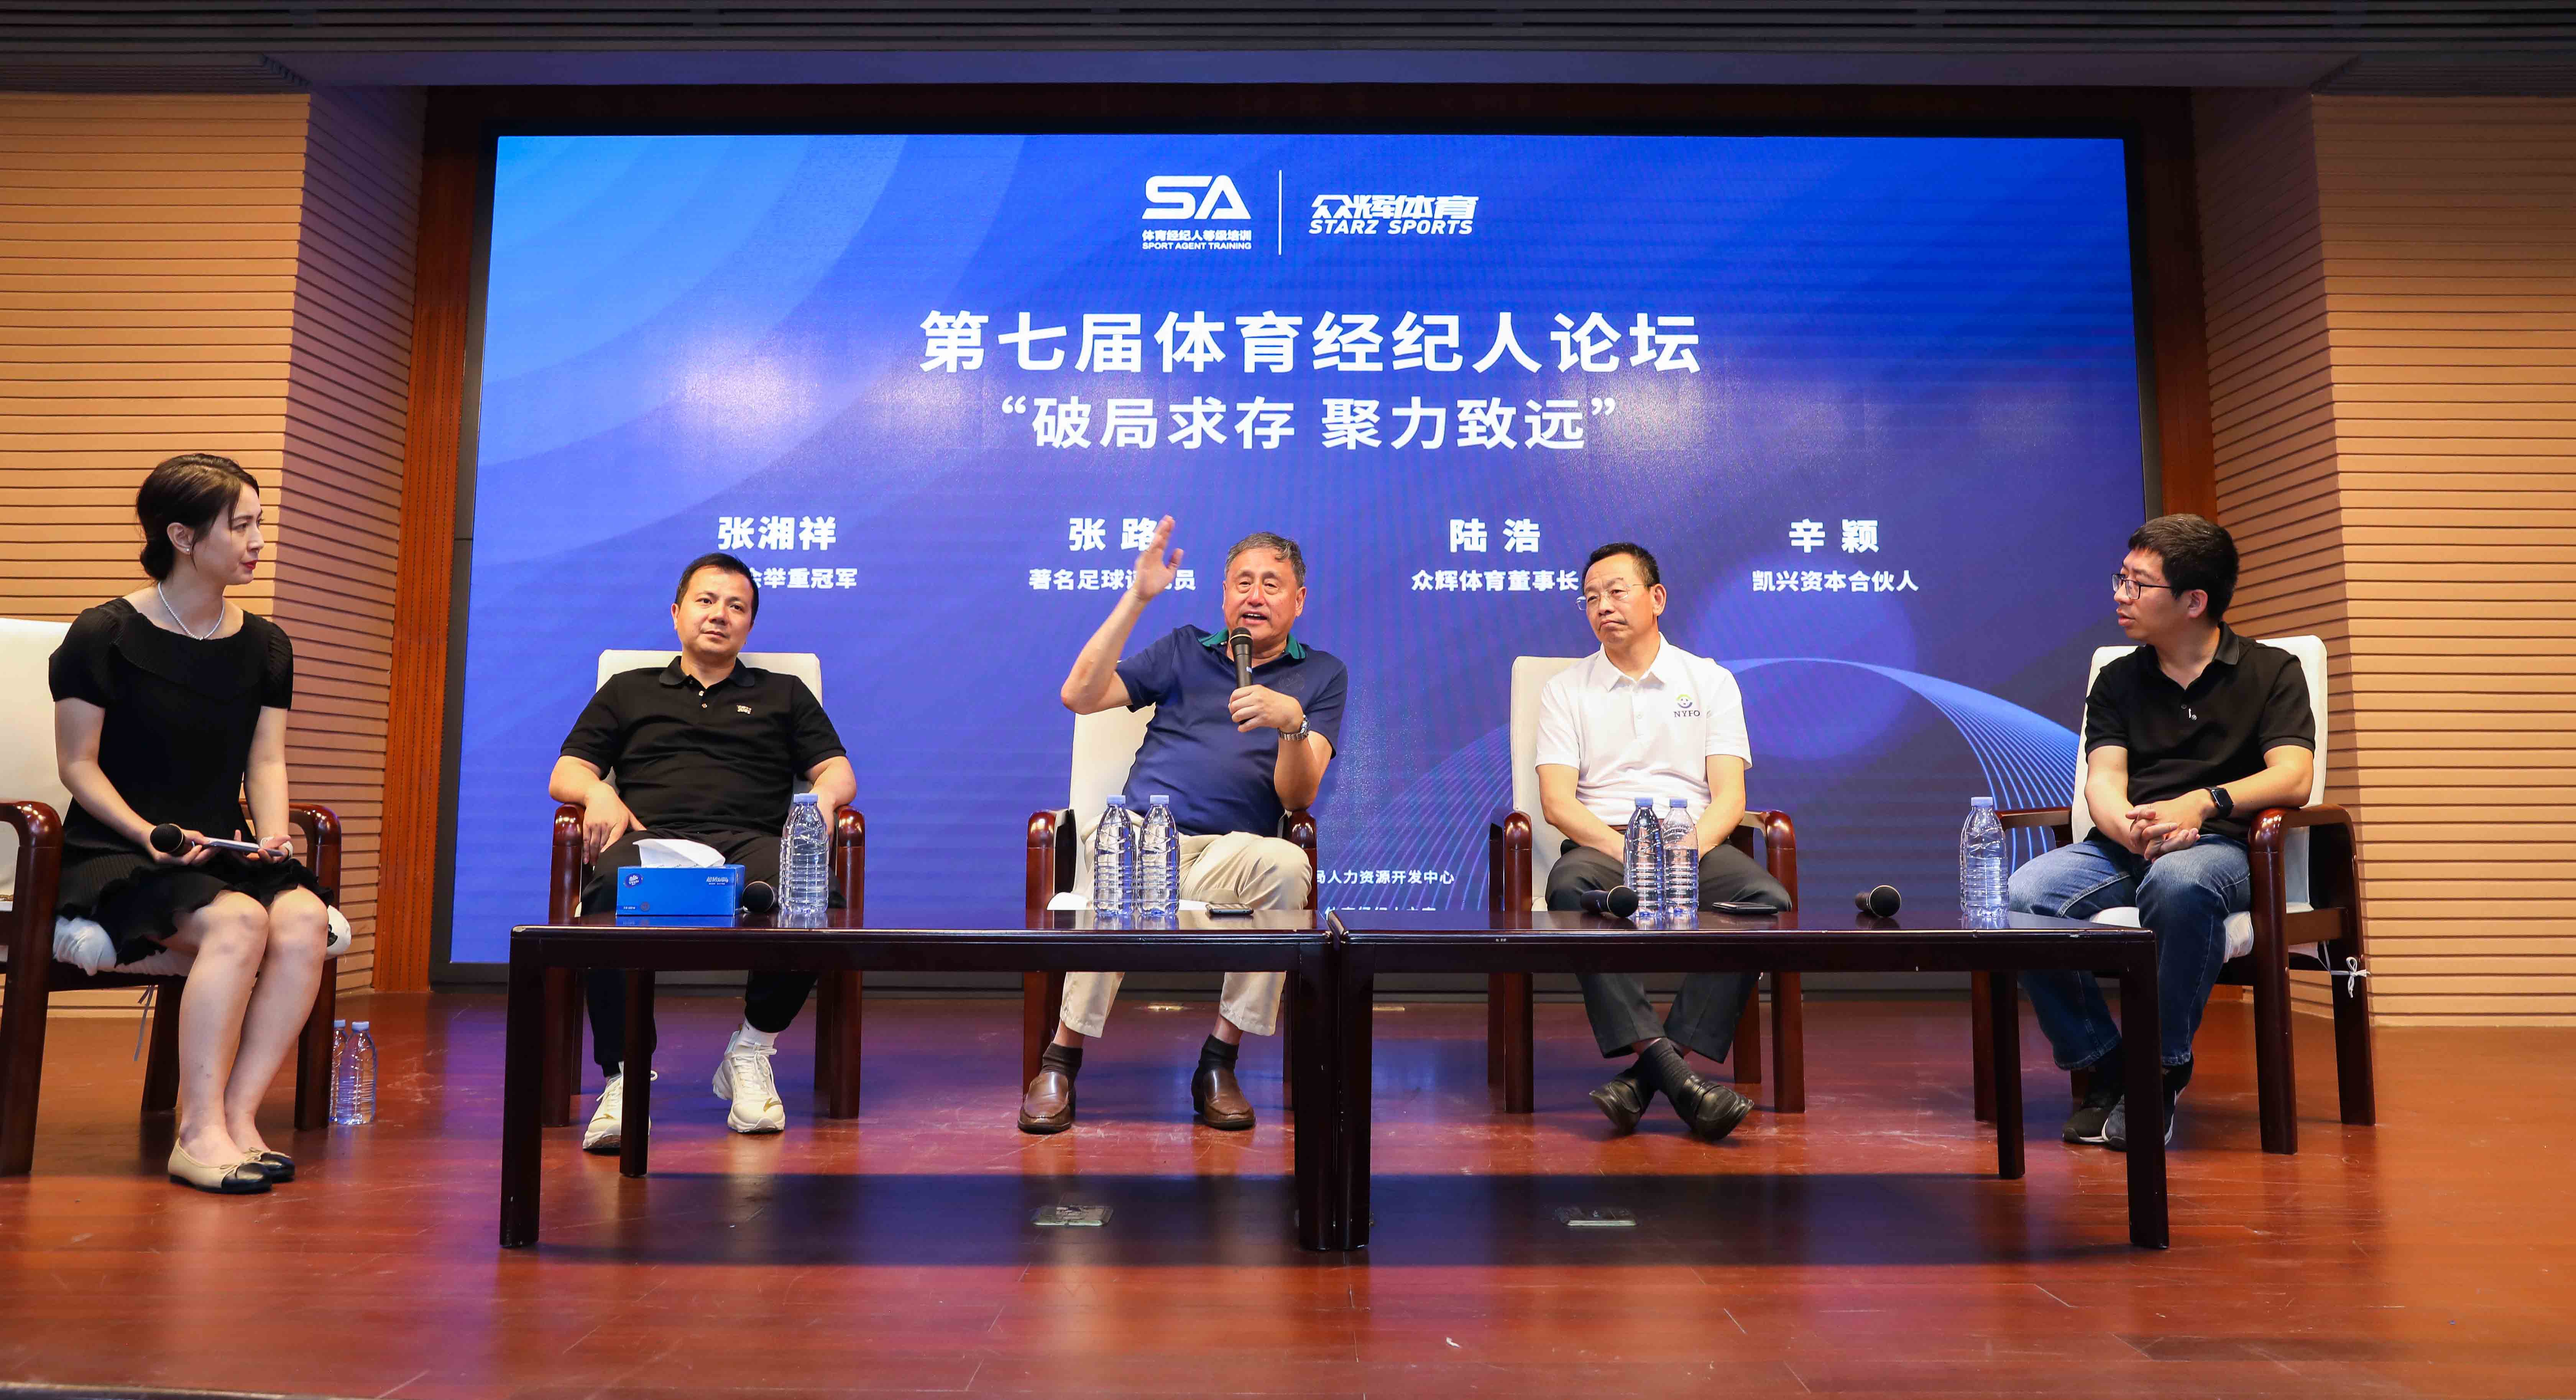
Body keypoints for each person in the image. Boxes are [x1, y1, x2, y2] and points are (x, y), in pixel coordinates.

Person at [49, 454, 330, 1194]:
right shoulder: (103, 633)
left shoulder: (267, 644)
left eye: (260, 523)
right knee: (238, 922)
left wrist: (273, 833)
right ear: (181, 535)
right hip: (119, 846)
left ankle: (237, 1118)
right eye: (241, 526)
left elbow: (265, 761)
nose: (258, 541)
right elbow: (78, 765)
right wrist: (145, 832)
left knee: (304, 918)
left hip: (218, 845)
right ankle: (197, 1131)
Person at [1020, 518, 1346, 1134]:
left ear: (1299, 600)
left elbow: (1298, 796)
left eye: (1271, 584)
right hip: (1144, 837)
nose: (1255, 596)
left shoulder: (1322, 675)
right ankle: (1060, 1059)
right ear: (1223, 596)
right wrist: (1138, 597)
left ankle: (1219, 1061)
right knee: (1122, 866)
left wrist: (1292, 725)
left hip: (1229, 853)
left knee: (1288, 865)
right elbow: (1079, 695)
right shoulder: (1184, 650)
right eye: (1242, 583)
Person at [2010, 514, 2314, 1150]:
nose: (2120, 595)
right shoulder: (2119, 678)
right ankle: (2108, 1065)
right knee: (2023, 897)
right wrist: (2127, 829)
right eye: (2120, 579)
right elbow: (2103, 779)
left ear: (2193, 601)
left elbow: (2293, 777)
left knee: (2179, 883)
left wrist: (2202, 804)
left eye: (2138, 584)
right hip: (2128, 844)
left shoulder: (2272, 672)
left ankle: (2162, 1067)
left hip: (2223, 848)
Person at [550, 552, 856, 1152]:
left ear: (750, 625)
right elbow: (567, 771)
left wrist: (822, 800)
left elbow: (838, 772)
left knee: (815, 900)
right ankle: (624, 1076)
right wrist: (599, 793)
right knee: (608, 900)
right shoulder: (628, 690)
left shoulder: (784, 694)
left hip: (753, 844)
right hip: (653, 842)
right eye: (707, 601)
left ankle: (751, 1050)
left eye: (736, 606)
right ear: (676, 612)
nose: (720, 615)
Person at [1534, 542, 1792, 1142]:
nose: (1603, 606)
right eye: (1590, 598)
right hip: (1603, 847)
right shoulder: (1566, 689)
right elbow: (1557, 804)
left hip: (1691, 845)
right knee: (1569, 887)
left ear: (1657, 598)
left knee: (1768, 901)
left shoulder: (1710, 681)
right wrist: (1631, 854)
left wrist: (1677, 854)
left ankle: (1651, 1073)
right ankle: (1672, 1070)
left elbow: (1729, 797)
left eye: (1616, 591)